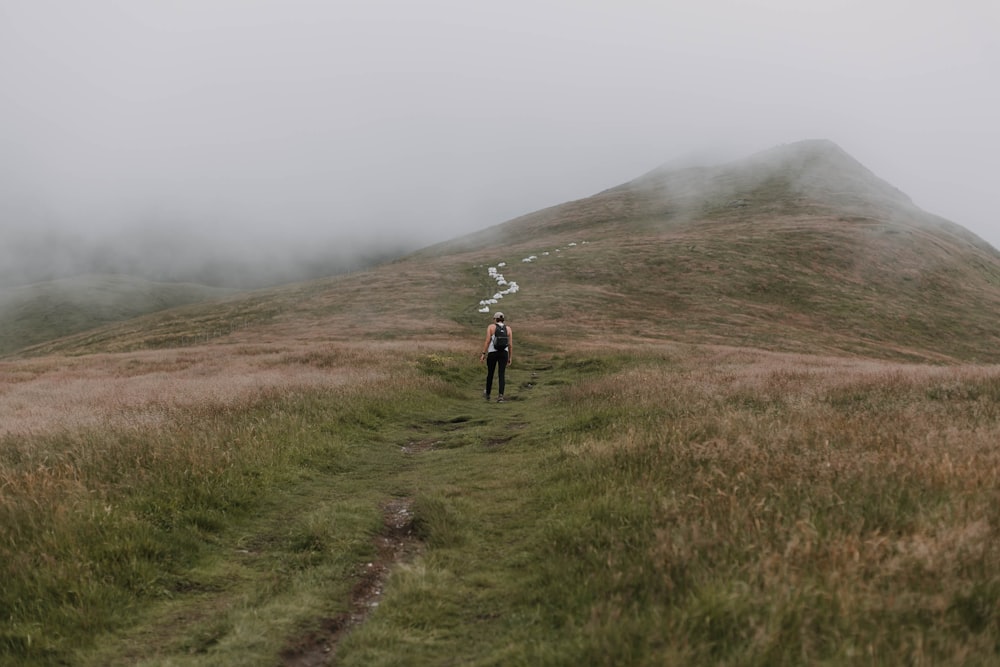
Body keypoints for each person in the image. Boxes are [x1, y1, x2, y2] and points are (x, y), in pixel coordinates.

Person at [480, 311, 512, 402]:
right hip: (504, 353)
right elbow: (510, 345)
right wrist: (510, 357)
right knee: (501, 374)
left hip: (492, 353)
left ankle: (488, 394)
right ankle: (500, 396)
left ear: (495, 319)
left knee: (490, 373)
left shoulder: (491, 327)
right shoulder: (508, 329)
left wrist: (483, 354)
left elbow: (487, 341)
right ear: (503, 319)